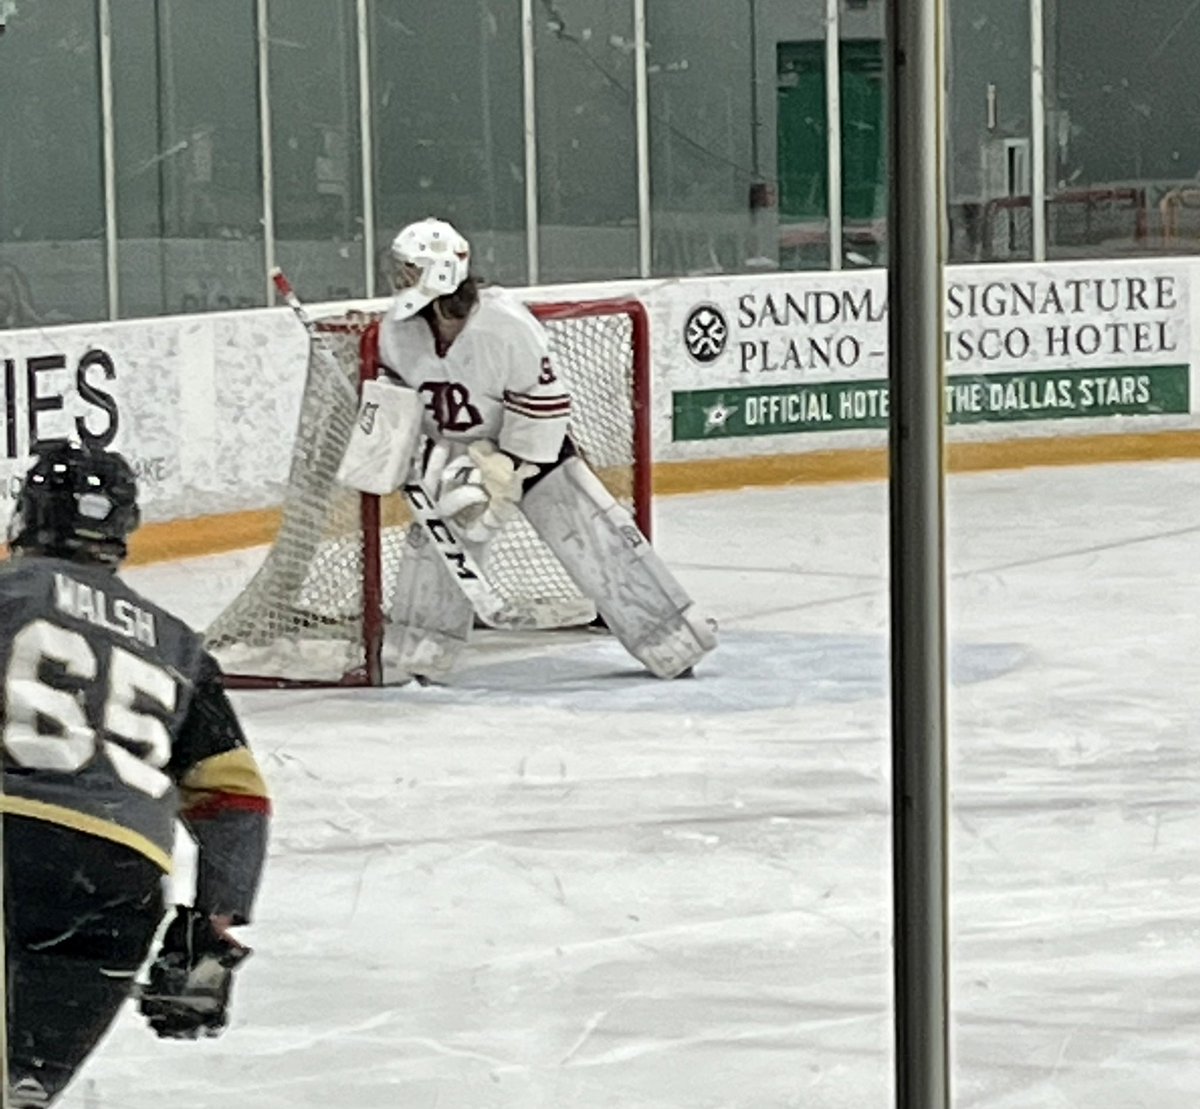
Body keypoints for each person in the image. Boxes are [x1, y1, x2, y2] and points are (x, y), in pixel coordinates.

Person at [0, 442, 271, 1108]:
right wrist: (211, 925)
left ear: (26, 515)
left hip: (11, 850)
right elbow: (237, 798)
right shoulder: (177, 642)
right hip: (120, 886)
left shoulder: (8, 594)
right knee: (20, 1091)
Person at [335, 216, 716, 684]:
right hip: (458, 456)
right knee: (433, 548)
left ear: (438, 273)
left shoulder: (505, 323)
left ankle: (672, 638)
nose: (400, 280)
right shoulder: (396, 331)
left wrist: (509, 467)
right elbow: (397, 400)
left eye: (411, 270)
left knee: (597, 539)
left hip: (534, 453)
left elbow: (544, 403)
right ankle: (418, 657)